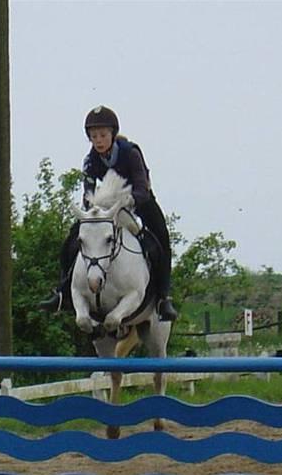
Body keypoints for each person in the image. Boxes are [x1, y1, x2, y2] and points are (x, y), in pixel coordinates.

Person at [40, 105, 178, 322]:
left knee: (161, 240)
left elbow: (142, 187)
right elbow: (88, 190)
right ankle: (62, 292)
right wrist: (92, 207)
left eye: (103, 135)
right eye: (94, 136)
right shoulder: (91, 159)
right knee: (72, 239)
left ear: (112, 134)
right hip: (105, 206)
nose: (99, 140)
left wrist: (128, 202)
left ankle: (162, 298)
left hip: (138, 202)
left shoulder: (130, 153)